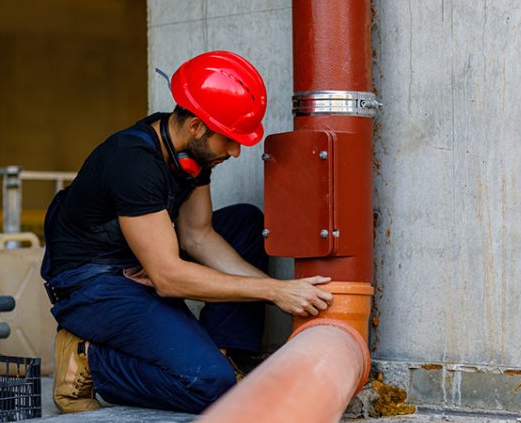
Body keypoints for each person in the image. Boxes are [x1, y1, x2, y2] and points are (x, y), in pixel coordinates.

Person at [40, 51, 334, 414]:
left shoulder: (190, 156)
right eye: (228, 138)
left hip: (141, 258)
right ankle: (91, 359)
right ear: (196, 126)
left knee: (245, 222)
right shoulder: (133, 162)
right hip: (92, 284)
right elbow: (167, 278)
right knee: (210, 387)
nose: (237, 151)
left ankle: (217, 352)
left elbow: (198, 236)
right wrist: (274, 290)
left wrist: (283, 296)